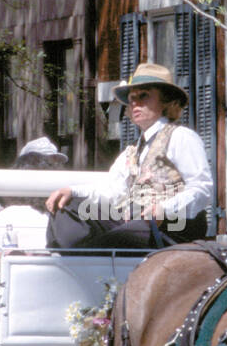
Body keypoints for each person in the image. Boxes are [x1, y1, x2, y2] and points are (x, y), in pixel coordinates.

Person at [45, 63, 213, 249]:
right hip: (134, 222)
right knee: (66, 209)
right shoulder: (132, 150)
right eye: (132, 98)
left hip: (174, 225)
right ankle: (66, 262)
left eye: (144, 96)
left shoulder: (181, 137)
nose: (135, 103)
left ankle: (85, 259)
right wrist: (72, 192)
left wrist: (165, 209)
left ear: (165, 101)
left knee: (114, 240)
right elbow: (113, 191)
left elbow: (202, 188)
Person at [0, 139, 68, 249]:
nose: (55, 170)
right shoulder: (9, 215)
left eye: (57, 164)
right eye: (49, 164)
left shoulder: (66, 213)